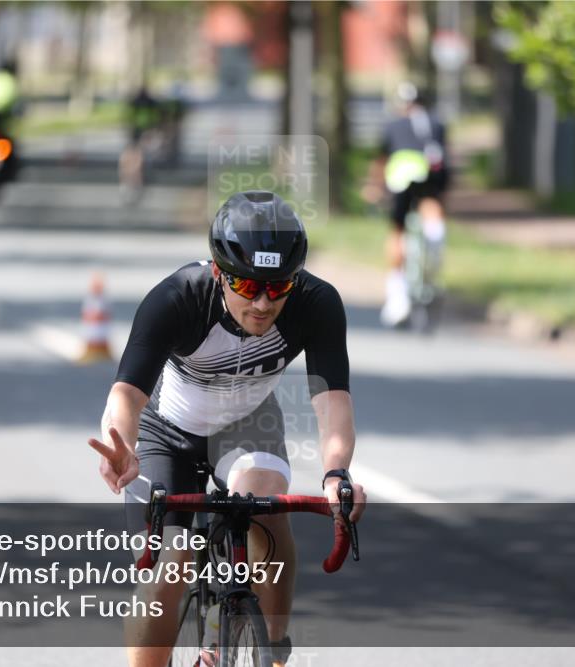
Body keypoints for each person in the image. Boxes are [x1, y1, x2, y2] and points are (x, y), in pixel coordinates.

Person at [88, 191, 366, 667]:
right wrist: (123, 445)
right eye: (247, 285)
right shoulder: (177, 298)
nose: (262, 303)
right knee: (169, 569)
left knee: (269, 506)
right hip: (165, 432)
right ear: (219, 273)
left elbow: (332, 401)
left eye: (277, 288)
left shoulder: (317, 303)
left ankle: (271, 649)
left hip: (247, 423)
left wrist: (337, 473)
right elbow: (126, 395)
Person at [365, 83, 448, 327]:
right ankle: (434, 244)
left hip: (400, 176)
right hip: (428, 175)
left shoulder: (392, 125)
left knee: (397, 230)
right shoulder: (436, 124)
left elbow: (382, 160)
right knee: (431, 208)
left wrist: (373, 188)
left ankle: (397, 295)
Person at [118, 86, 162, 202]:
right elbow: (128, 118)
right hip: (137, 133)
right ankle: (130, 182)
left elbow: (154, 118)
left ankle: (134, 182)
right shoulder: (140, 103)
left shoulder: (146, 103)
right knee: (132, 157)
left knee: (135, 158)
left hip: (142, 133)